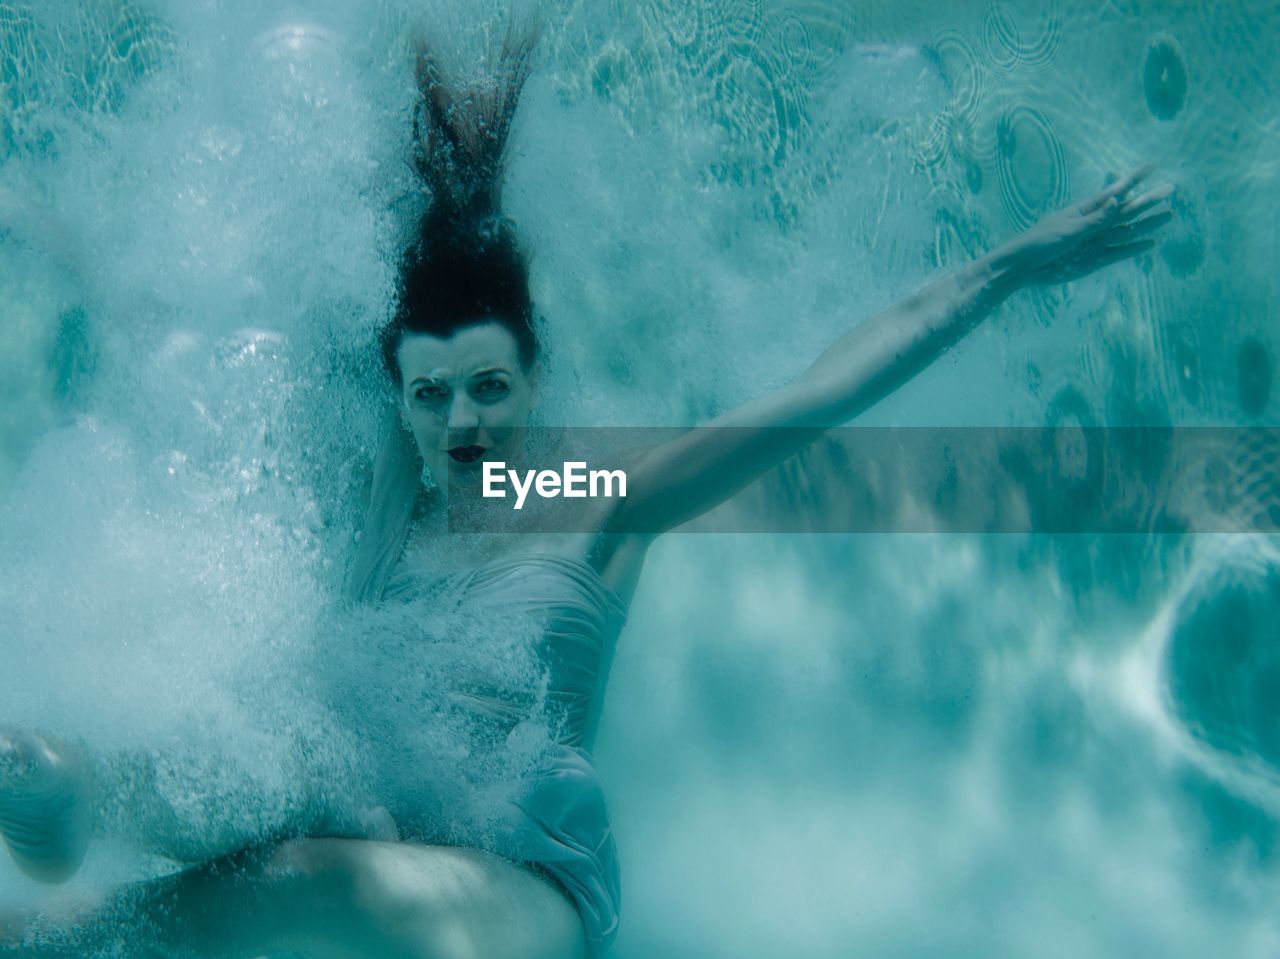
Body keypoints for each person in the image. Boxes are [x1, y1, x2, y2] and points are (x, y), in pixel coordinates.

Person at [0, 15, 1173, 959]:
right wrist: (48, 236)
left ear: (531, 375)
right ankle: (59, 818)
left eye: (487, 385)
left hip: (525, 893)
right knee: (106, 771)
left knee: (310, 877)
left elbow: (813, 399)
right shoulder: (380, 506)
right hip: (366, 824)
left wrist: (1013, 265)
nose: (462, 420)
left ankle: (61, 940)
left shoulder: (592, 493)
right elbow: (182, 339)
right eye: (431, 394)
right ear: (398, 400)